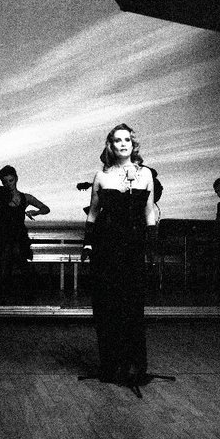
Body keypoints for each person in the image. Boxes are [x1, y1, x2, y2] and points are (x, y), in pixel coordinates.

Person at [81, 123, 156, 387]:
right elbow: (93, 213)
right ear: (111, 145)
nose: (122, 144)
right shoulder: (101, 176)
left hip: (133, 245)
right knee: (108, 306)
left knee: (132, 306)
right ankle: (111, 367)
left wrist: (151, 243)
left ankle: (134, 368)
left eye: (127, 140)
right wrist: (88, 244)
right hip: (107, 245)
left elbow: (149, 211)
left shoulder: (145, 174)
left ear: (133, 144)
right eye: (117, 140)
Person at [0, 165, 50, 296]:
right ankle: (15, 288)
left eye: (11, 180)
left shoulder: (25, 197)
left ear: (16, 179)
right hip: (2, 236)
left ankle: (13, 288)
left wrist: (36, 212)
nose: (8, 184)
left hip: (19, 236)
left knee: (14, 250)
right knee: (8, 250)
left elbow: (46, 208)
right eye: (5, 182)